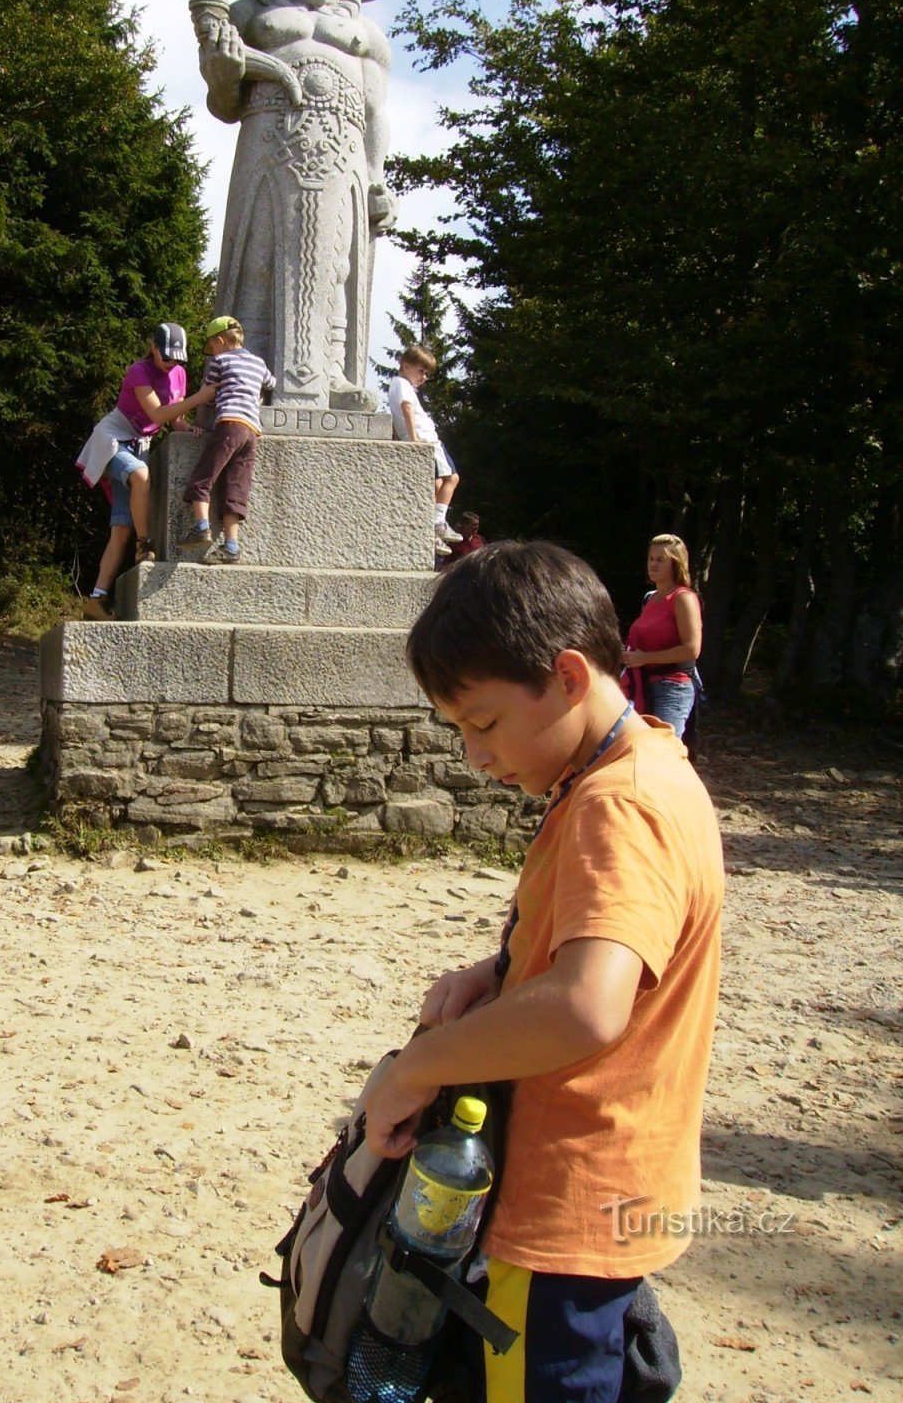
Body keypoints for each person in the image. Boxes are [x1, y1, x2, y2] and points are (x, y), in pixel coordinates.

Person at [364, 540, 723, 1403]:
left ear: (567, 676)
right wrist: (500, 970)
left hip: (566, 1212)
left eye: (483, 724)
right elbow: (607, 951)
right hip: (616, 1195)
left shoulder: (618, 803)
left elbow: (587, 1008)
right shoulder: (642, 766)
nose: (476, 757)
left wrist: (411, 1073)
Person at [192, 0, 395, 409]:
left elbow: (375, 111)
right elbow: (223, 99)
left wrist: (377, 174)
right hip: (269, 140)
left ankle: (332, 377)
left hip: (344, 152)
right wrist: (223, 62)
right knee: (263, 257)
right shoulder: (247, 15)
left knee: (338, 265)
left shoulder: (366, 35)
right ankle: (254, 370)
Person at [75, 323, 209, 618]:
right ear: (154, 348)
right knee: (141, 475)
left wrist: (191, 429)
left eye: (177, 358)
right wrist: (201, 397)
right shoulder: (138, 371)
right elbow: (158, 413)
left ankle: (96, 598)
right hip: (113, 439)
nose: (171, 363)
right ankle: (144, 543)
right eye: (167, 357)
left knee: (120, 529)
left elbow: (174, 419)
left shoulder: (179, 374)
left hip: (140, 445)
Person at [179, 315, 276, 565]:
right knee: (236, 486)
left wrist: (198, 419)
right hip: (252, 431)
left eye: (211, 346)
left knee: (204, 477)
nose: (211, 352)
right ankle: (231, 547)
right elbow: (271, 383)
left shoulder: (219, 361)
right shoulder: (258, 363)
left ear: (219, 340)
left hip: (229, 424)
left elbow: (208, 395)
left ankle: (201, 527)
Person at [621, 534, 703, 739]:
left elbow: (692, 649)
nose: (653, 564)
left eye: (660, 560)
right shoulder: (649, 599)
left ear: (676, 563)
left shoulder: (683, 598)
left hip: (673, 688)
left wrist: (645, 658)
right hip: (643, 687)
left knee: (665, 749)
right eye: (651, 559)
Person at [387, 344, 462, 556]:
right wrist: (414, 438)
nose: (424, 377)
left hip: (422, 440)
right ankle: (438, 523)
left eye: (426, 373)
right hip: (428, 440)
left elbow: (395, 416)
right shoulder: (402, 384)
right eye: (421, 371)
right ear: (405, 365)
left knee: (436, 484)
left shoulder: (395, 385)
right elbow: (406, 408)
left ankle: (429, 534)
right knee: (452, 479)